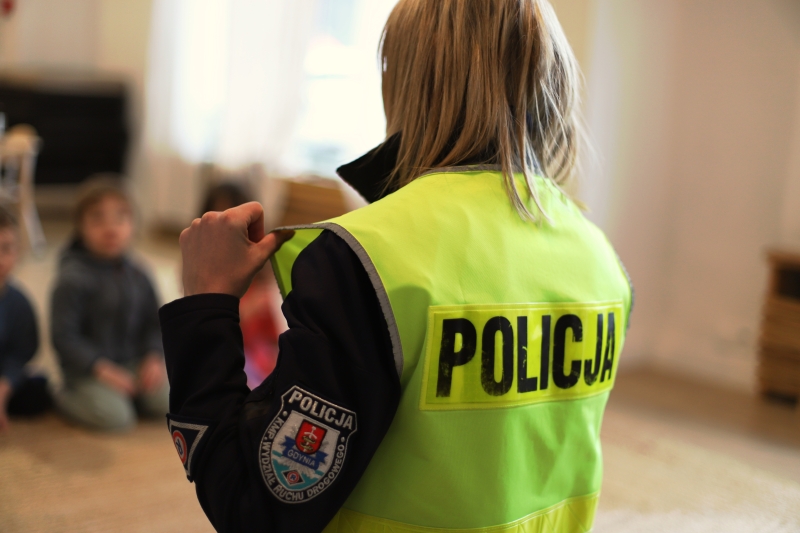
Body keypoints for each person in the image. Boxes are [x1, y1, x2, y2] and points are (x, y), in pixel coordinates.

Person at [161, 1, 633, 532]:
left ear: (409, 82)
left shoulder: (365, 259)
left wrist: (205, 304)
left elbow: (255, 506)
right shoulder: (601, 260)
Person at [51, 177, 168, 431]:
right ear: (80, 226)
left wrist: (153, 357)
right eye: (97, 218)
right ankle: (63, 395)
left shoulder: (139, 274)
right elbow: (64, 337)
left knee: (169, 400)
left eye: (120, 217)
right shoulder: (72, 278)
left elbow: (155, 322)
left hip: (131, 361)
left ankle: (130, 396)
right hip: (88, 369)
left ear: (133, 224)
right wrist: (102, 370)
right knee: (116, 418)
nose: (110, 228)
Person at [200, 182, 284, 388]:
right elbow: (208, 330)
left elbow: (275, 333)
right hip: (229, 356)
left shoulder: (261, 268)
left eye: (233, 221)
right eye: (218, 218)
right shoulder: (202, 268)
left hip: (260, 354)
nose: (226, 230)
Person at [0, 205, 51, 434]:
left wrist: (4, 389)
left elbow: (20, 355)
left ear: (17, 252)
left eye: (6, 249)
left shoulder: (19, 302)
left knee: (38, 394)